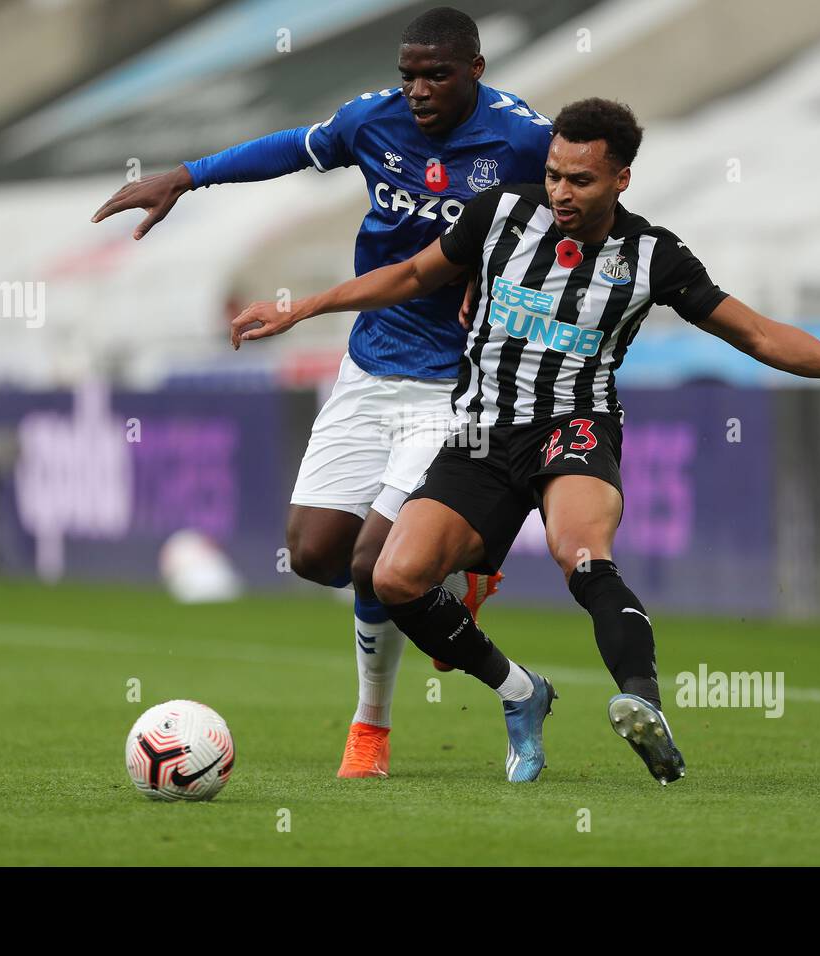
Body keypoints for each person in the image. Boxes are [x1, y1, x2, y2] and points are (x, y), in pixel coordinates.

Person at [232, 97, 820, 784]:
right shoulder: (500, 215)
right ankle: (521, 693)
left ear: (621, 178)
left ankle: (643, 703)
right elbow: (414, 273)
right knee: (393, 579)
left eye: (580, 179)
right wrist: (305, 309)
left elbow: (759, 333)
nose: (561, 191)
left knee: (580, 554)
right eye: (553, 173)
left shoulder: (654, 255)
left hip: (572, 429)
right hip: (482, 430)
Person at [91, 7, 554, 779]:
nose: (418, 89)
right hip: (370, 367)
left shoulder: (523, 140)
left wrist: (498, 277)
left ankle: (370, 726)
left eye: (435, 73)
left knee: (379, 565)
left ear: (476, 69)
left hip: (456, 386)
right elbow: (290, 148)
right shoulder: (371, 121)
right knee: (312, 555)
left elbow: (574, 217)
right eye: (409, 73)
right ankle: (442, 583)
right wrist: (186, 175)